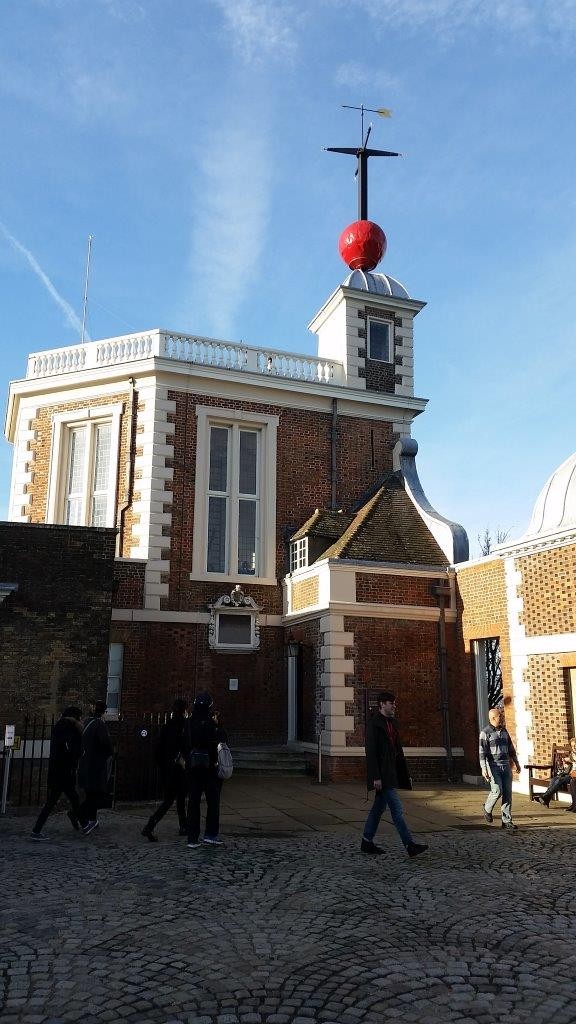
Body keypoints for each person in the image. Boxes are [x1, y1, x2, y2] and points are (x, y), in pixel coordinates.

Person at [361, 690, 428, 858]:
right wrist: (375, 776)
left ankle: (366, 841)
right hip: (382, 775)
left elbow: (398, 752)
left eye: (394, 703)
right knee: (396, 809)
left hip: (391, 773)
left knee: (378, 809)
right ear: (382, 704)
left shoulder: (393, 724)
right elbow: (371, 752)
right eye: (391, 703)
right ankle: (409, 845)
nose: (394, 705)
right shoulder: (374, 724)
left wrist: (405, 773)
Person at [31, 706, 86, 841]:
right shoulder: (68, 729)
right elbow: (71, 749)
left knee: (69, 799)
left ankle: (84, 824)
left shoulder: (59, 727)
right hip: (64, 772)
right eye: (79, 717)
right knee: (63, 800)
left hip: (58, 771)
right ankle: (85, 824)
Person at [182, 691, 225, 849]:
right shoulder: (210, 723)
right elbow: (221, 741)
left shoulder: (189, 722)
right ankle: (211, 834)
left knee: (193, 803)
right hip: (209, 767)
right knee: (213, 802)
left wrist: (187, 759)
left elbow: (184, 744)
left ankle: (192, 837)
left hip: (193, 767)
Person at [141, 698, 189, 841]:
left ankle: (179, 825)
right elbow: (185, 745)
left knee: (171, 799)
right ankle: (152, 826)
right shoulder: (184, 725)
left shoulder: (167, 725)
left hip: (167, 768)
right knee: (177, 798)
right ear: (184, 710)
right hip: (178, 767)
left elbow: (159, 748)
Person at [479, 707, 521, 830]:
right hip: (493, 766)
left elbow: (511, 748)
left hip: (506, 765)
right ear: (493, 718)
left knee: (507, 793)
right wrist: (484, 768)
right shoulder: (485, 733)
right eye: (499, 717)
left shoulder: (504, 731)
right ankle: (487, 808)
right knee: (497, 791)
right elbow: (482, 753)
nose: (501, 718)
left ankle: (506, 821)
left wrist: (516, 763)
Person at [78, 700, 114, 835]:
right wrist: (110, 752)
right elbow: (105, 743)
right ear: (104, 712)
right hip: (95, 764)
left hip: (85, 762)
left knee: (90, 793)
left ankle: (92, 820)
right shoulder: (99, 724)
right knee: (96, 793)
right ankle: (78, 813)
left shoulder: (86, 722)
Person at [534, 736, 576, 811]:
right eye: (573, 746)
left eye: (575, 746)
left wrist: (569, 760)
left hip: (573, 775)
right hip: (570, 774)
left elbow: (573, 760)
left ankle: (545, 797)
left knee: (560, 780)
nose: (574, 747)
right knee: (554, 779)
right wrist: (565, 761)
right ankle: (546, 799)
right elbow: (569, 761)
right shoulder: (573, 754)